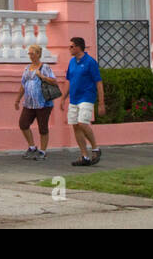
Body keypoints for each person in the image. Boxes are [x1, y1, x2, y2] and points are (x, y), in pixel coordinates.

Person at [61, 36, 105, 166]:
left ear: (78, 47)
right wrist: (64, 97)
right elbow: (69, 80)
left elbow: (98, 82)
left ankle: (95, 148)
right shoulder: (72, 62)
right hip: (74, 98)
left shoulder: (90, 62)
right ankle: (84, 155)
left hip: (86, 97)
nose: (69, 49)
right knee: (75, 125)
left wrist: (101, 102)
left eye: (71, 46)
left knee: (82, 123)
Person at [14, 44, 58, 159]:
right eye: (29, 54)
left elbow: (54, 81)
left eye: (32, 53)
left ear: (38, 54)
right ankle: (32, 146)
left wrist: (42, 77)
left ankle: (43, 151)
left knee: (42, 127)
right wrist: (18, 99)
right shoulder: (27, 68)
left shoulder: (45, 67)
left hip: (43, 103)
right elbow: (23, 85)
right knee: (23, 123)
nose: (31, 56)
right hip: (29, 103)